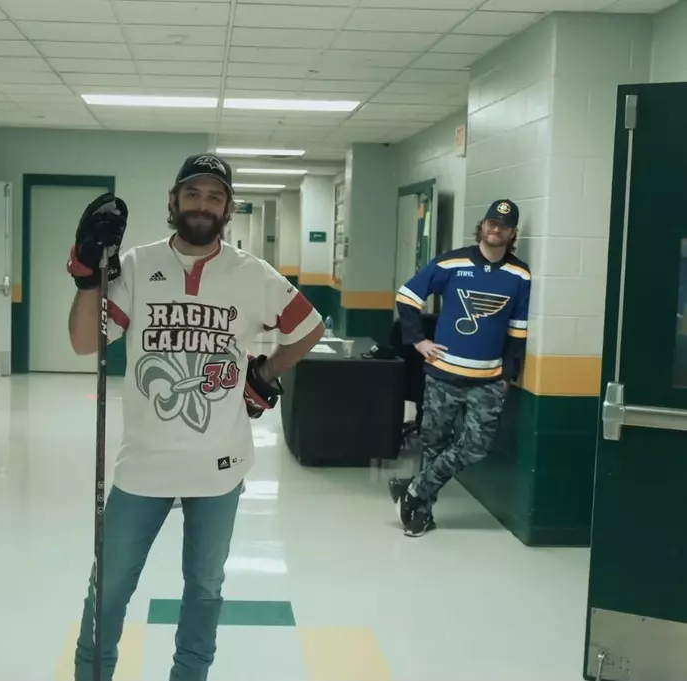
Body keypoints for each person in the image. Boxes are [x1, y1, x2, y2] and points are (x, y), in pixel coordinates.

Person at [65, 153, 325, 681]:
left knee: (204, 589)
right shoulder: (136, 266)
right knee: (109, 587)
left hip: (219, 467)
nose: (202, 204)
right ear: (173, 201)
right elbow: (84, 342)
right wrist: (88, 278)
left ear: (228, 208)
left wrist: (265, 372)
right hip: (143, 465)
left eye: (214, 196)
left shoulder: (252, 274)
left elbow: (309, 326)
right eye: (192, 193)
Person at [388, 199, 531, 538]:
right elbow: (407, 297)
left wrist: (509, 374)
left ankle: (413, 490)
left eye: (504, 226)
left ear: (513, 233)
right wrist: (419, 342)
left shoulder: (519, 274)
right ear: (483, 225)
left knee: (476, 446)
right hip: (443, 374)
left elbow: (518, 329)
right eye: (491, 222)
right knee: (434, 445)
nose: (496, 229)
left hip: (489, 379)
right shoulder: (452, 262)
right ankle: (421, 513)